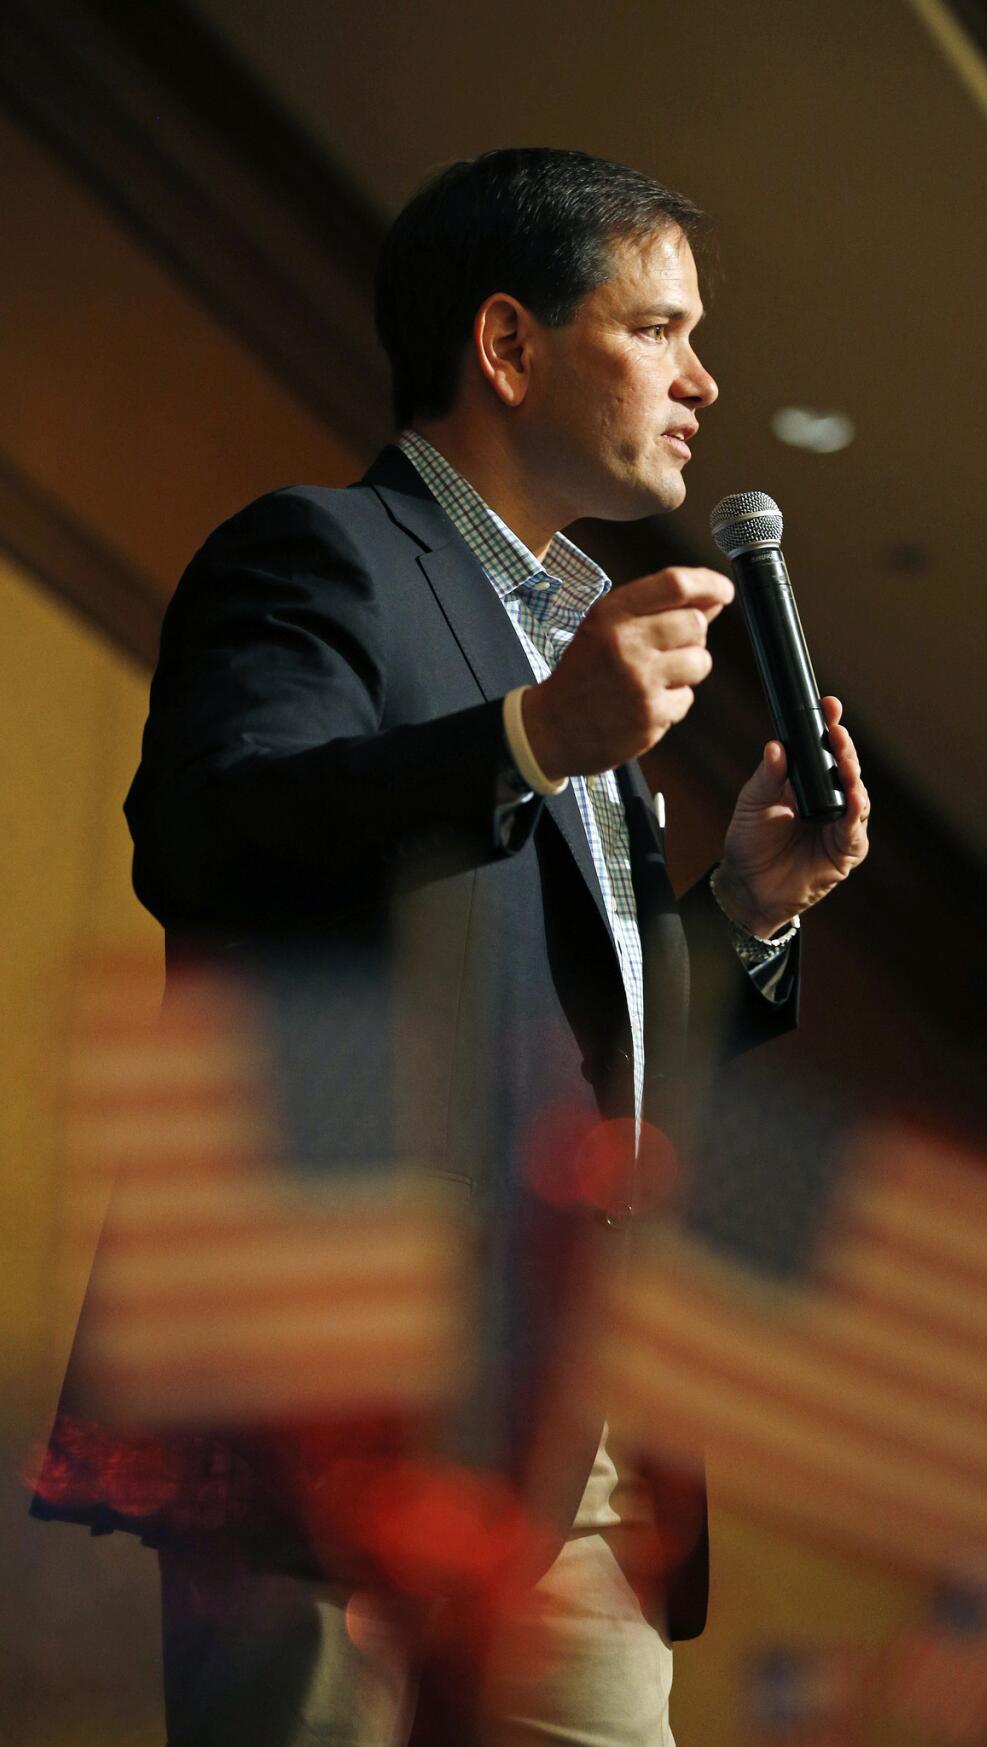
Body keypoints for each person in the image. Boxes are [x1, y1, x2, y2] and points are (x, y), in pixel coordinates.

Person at [34, 148, 870, 1745]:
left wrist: (750, 908)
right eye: (662, 330)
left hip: (585, 1424)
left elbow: (575, 1038)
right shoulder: (322, 558)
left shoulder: (571, 644)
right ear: (508, 346)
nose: (705, 381)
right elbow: (207, 837)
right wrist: (533, 737)